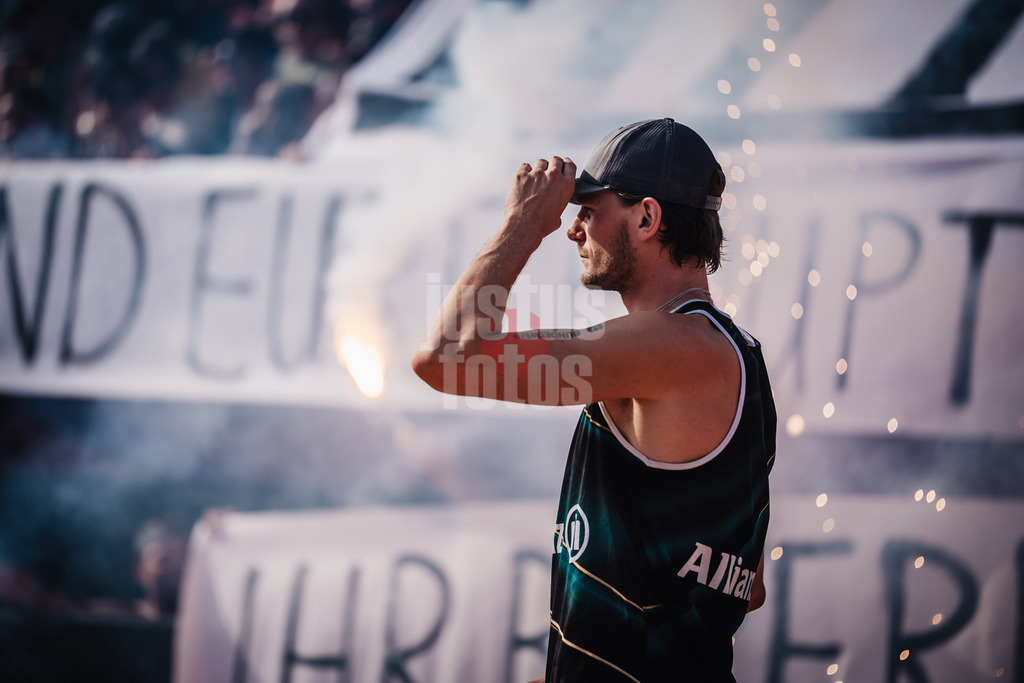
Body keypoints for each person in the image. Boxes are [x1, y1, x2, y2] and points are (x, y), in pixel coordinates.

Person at [412, 118, 776, 681]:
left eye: (588, 210)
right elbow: (743, 587)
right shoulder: (736, 356)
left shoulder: (671, 344)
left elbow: (444, 359)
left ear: (648, 218)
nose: (573, 230)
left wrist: (522, 223)